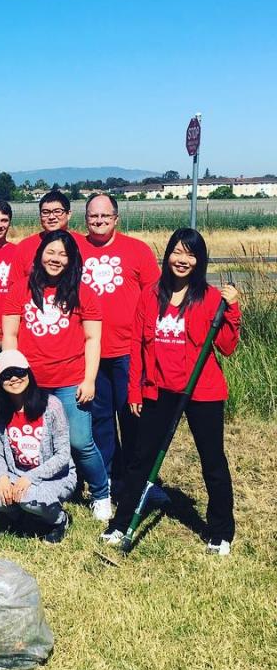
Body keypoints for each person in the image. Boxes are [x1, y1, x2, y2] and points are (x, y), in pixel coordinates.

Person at [103, 229, 241, 556]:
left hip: (201, 391)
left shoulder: (210, 298)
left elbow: (227, 347)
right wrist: (134, 391)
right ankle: (121, 523)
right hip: (158, 391)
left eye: (191, 255)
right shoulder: (150, 295)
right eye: (177, 252)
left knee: (212, 462)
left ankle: (221, 531)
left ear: (199, 260)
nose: (183, 260)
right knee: (140, 459)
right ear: (167, 256)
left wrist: (232, 309)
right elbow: (137, 347)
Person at [2, 230, 112, 521]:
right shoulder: (20, 290)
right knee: (38, 443)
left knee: (79, 441)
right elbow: (10, 334)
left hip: (70, 380)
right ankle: (46, 489)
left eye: (63, 254)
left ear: (72, 259)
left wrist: (89, 379)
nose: (56, 259)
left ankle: (101, 492)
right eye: (51, 252)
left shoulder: (83, 292)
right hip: (31, 383)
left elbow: (92, 339)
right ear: (40, 255)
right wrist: (13, 376)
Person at [81, 193, 160, 486]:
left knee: (133, 417)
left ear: (116, 218)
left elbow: (155, 298)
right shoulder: (76, 249)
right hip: (90, 353)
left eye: (105, 216)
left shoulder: (137, 250)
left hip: (129, 350)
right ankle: (109, 477)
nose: (99, 221)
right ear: (85, 219)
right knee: (99, 419)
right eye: (93, 217)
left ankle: (140, 479)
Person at [0, 350, 75, 543]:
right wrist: (2, 477)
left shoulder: (52, 406)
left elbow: (63, 454)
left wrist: (30, 477)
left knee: (31, 499)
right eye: (6, 375)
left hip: (53, 476)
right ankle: (23, 516)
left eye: (19, 371)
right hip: (15, 473)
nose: (14, 378)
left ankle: (59, 519)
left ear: (28, 373)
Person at [8, 189, 84, 288]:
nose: (51, 216)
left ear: (68, 214)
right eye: (45, 212)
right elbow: (15, 286)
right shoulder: (24, 247)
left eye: (57, 212)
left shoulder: (82, 244)